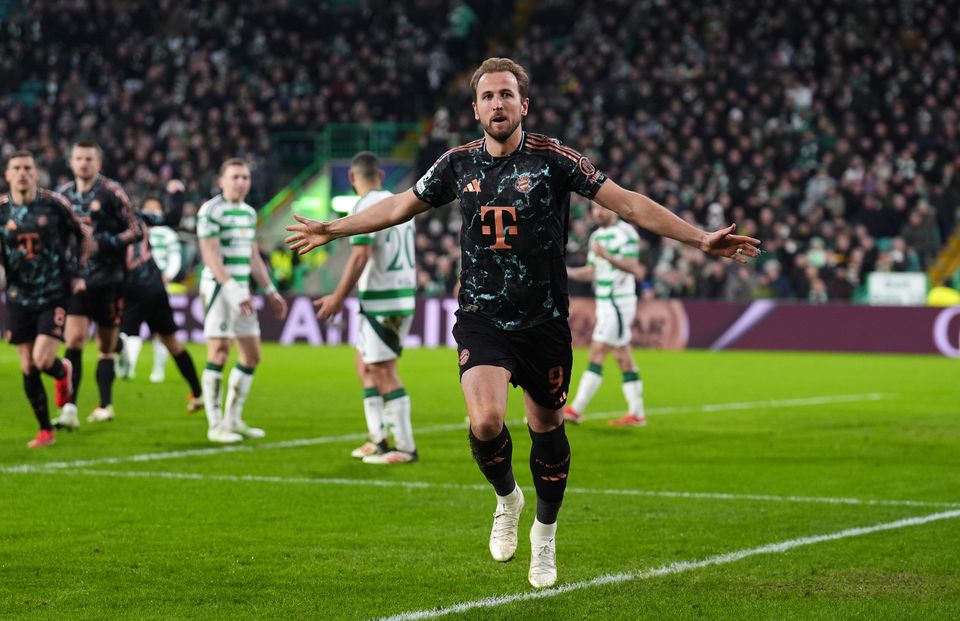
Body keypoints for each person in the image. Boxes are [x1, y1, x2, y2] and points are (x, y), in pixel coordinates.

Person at [285, 57, 760, 589]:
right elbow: (399, 206)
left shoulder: (554, 159)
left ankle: (546, 533)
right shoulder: (456, 165)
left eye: (507, 95)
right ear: (475, 108)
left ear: (523, 104)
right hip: (483, 317)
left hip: (545, 321)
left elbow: (625, 202)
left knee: (546, 430)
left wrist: (698, 238)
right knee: (486, 422)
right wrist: (334, 227)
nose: (498, 104)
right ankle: (508, 499)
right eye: (488, 96)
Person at [313, 152, 418, 465]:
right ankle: (378, 437)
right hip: (399, 295)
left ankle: (405, 447)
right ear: (381, 175)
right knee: (366, 366)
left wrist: (337, 296)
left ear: (351, 178)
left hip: (381, 300)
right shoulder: (399, 201)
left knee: (384, 372)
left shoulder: (365, 205)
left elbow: (360, 256)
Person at [0, 150, 89, 447]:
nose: (23, 173)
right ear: (8, 175)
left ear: (36, 174)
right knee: (27, 365)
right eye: (17, 168)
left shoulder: (54, 204)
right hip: (17, 295)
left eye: (28, 168)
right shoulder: (1, 209)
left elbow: (84, 235)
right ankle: (45, 430)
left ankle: (62, 371)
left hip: (52, 292)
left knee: (42, 359)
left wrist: (78, 273)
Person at [197, 158, 287, 443]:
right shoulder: (210, 210)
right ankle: (215, 426)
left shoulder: (248, 214)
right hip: (219, 290)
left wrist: (271, 291)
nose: (240, 183)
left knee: (251, 355)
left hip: (243, 292)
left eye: (245, 178)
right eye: (235, 177)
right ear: (221, 181)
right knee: (220, 352)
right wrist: (232, 289)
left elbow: (252, 257)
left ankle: (233, 419)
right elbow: (210, 255)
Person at [52, 141, 140, 430]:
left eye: (89, 158)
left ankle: (104, 404)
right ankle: (70, 408)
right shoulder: (62, 196)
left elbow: (136, 229)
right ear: (71, 162)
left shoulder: (112, 192)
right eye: (79, 158)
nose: (84, 163)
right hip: (78, 280)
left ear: (98, 163)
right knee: (74, 340)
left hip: (110, 280)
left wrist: (108, 243)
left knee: (105, 346)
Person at [115, 180, 204, 412]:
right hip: (154, 285)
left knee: (119, 338)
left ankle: (108, 398)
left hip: (134, 286)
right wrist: (178, 194)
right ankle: (198, 392)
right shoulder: (139, 217)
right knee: (171, 341)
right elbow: (173, 218)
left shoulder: (110, 223)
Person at [564, 201, 648, 427]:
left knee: (597, 351)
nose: (597, 212)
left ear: (613, 209)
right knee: (622, 355)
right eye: (593, 208)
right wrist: (566, 272)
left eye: (601, 208)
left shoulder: (626, 232)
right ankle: (637, 413)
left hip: (618, 302)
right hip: (604, 302)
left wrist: (607, 256)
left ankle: (575, 409)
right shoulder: (596, 237)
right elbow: (592, 272)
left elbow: (633, 266)